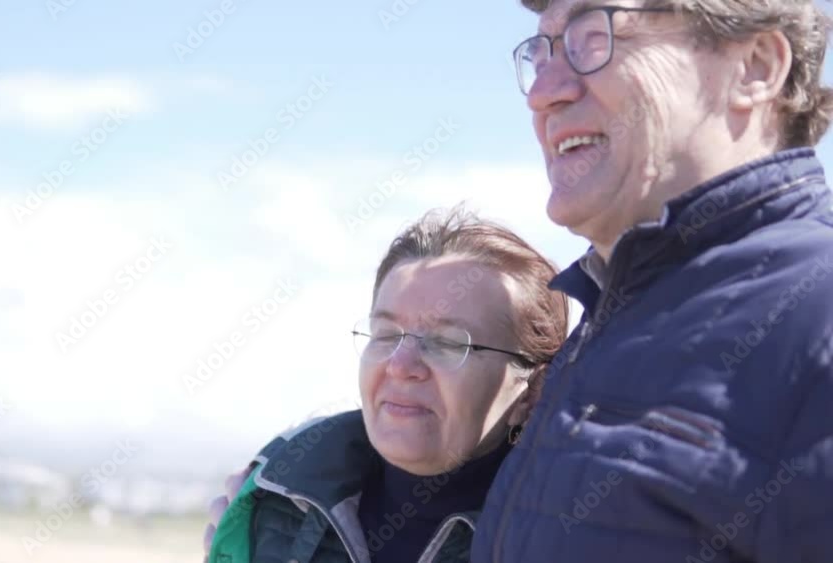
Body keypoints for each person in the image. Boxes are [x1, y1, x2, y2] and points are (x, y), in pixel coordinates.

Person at [472, 1, 833, 562]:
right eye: (542, 50)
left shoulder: (816, 319)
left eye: (593, 34)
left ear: (755, 66)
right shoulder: (604, 324)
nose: (543, 91)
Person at [206, 207, 569, 563]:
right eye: (386, 334)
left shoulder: (577, 534)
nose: (399, 365)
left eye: (449, 343)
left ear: (533, 389)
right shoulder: (275, 496)